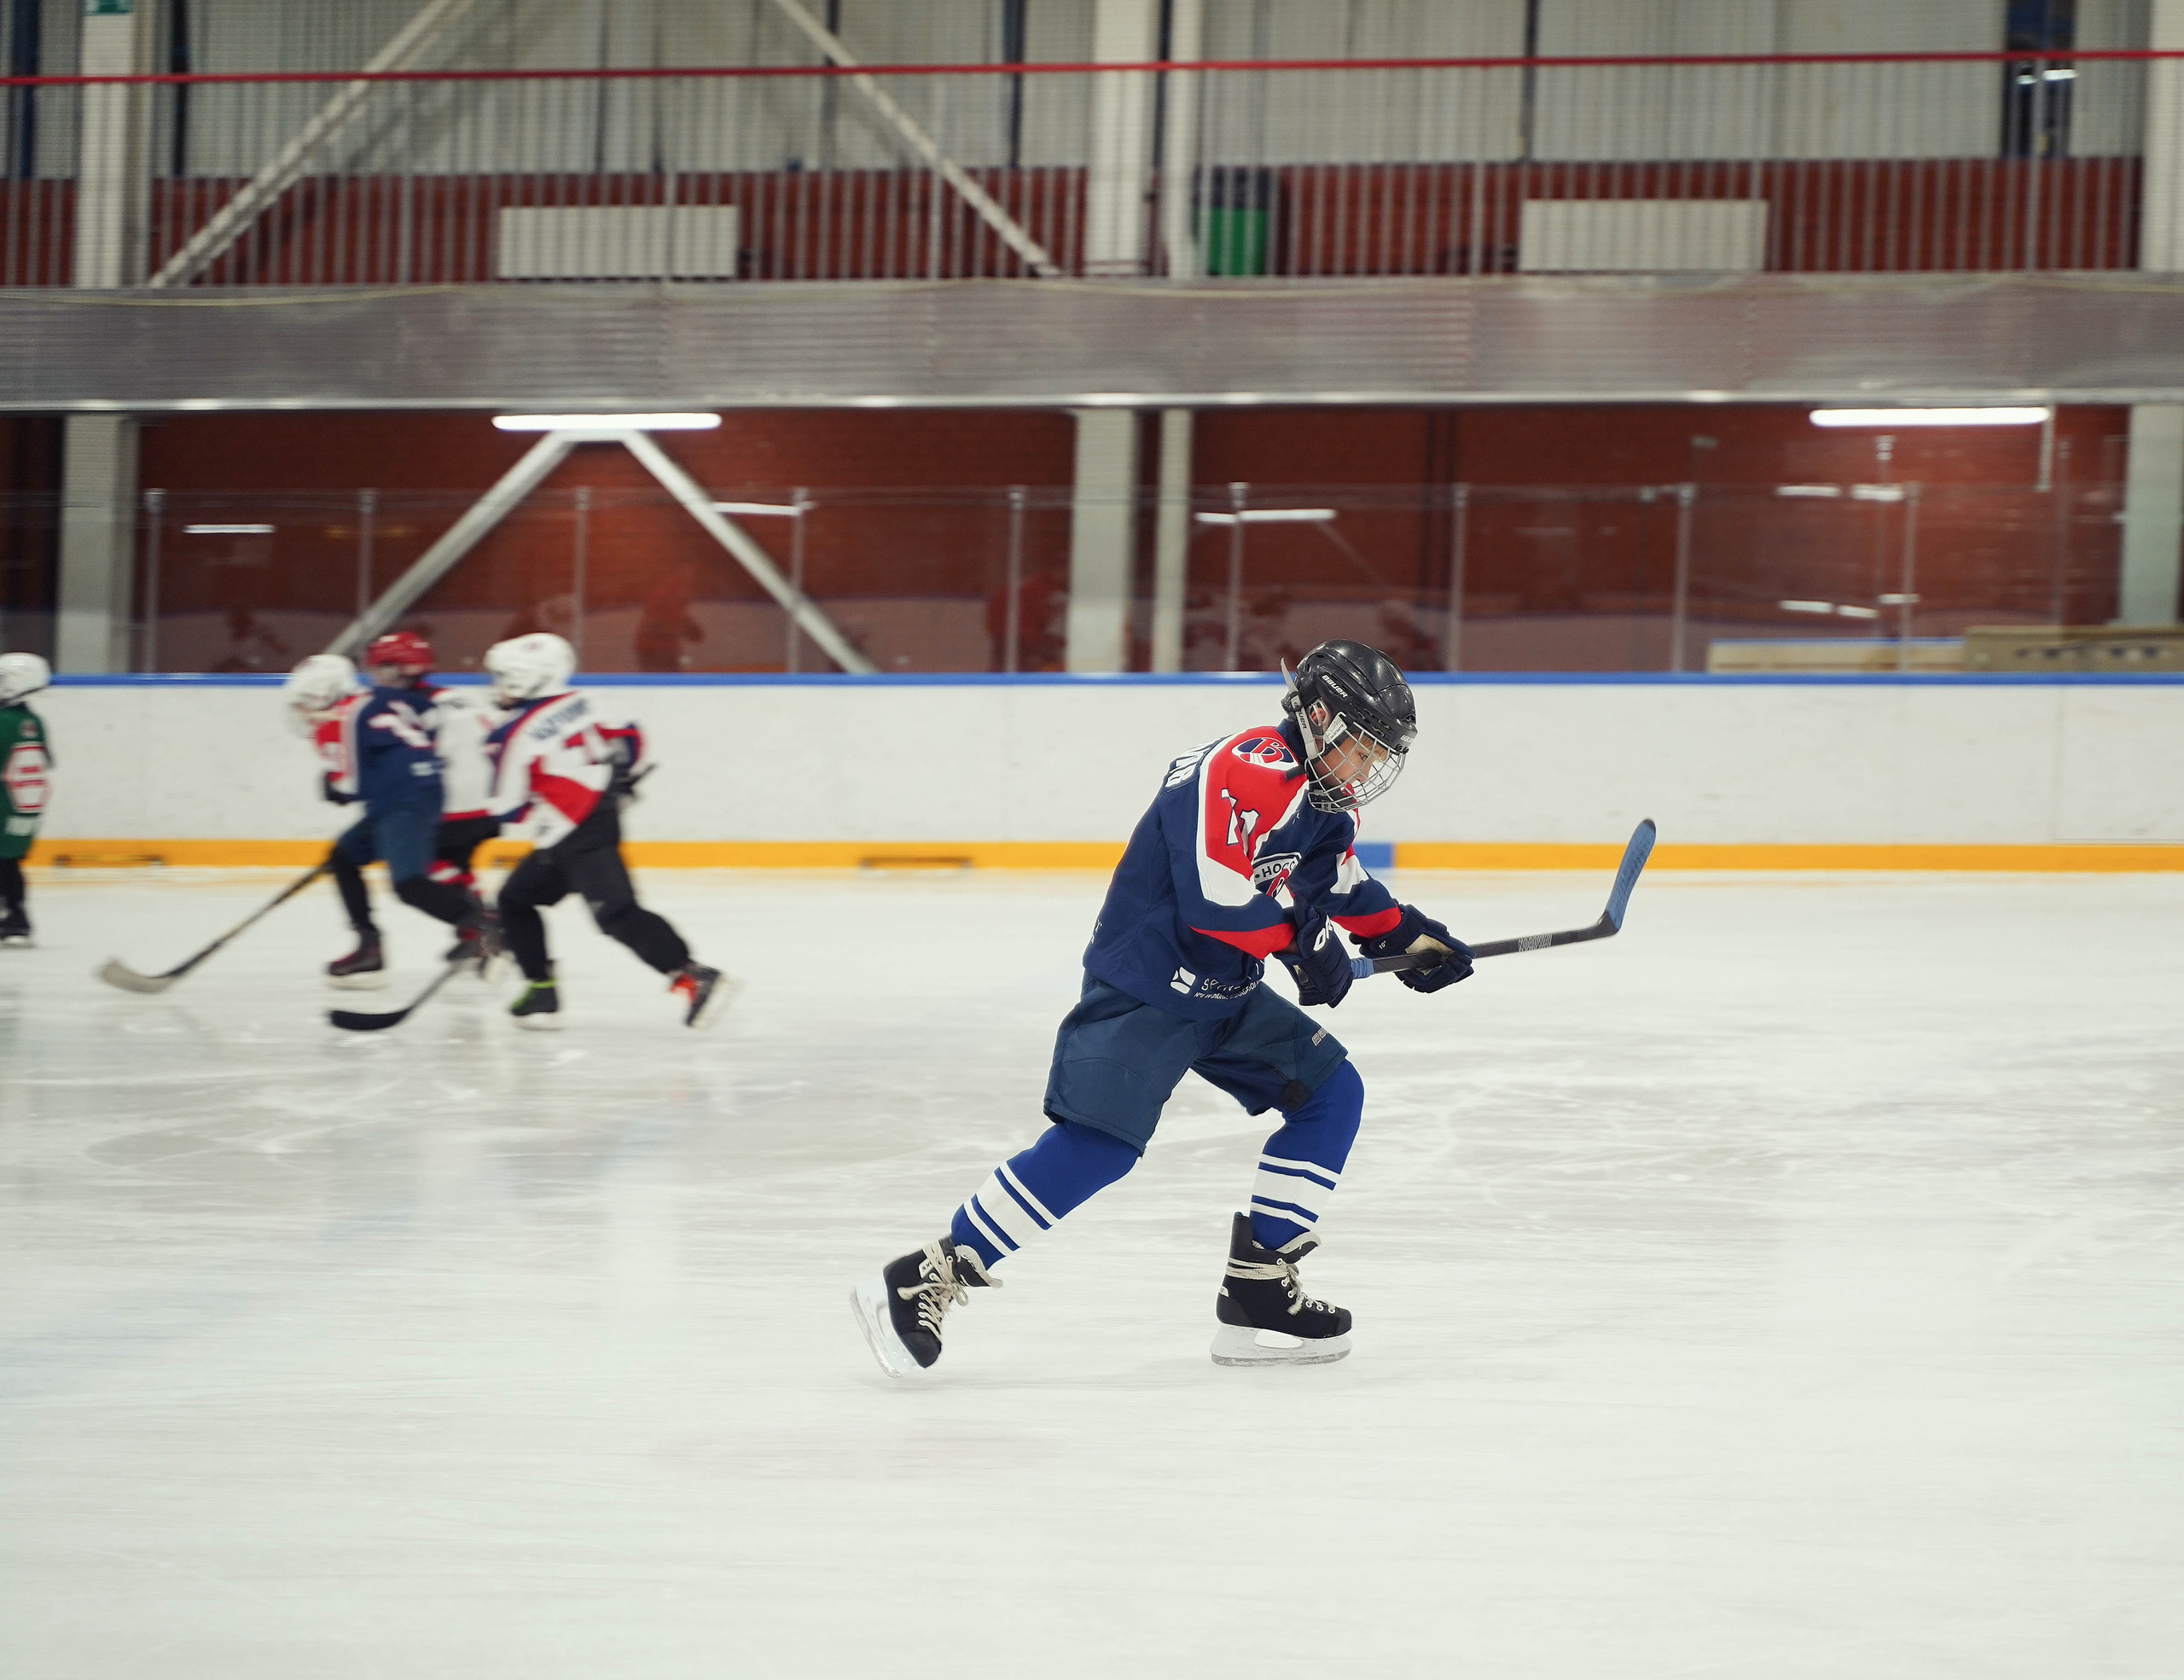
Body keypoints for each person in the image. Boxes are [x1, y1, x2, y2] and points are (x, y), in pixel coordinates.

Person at [852, 639, 1474, 1378]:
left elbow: (1339, 884)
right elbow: (1214, 898)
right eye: (1362, 748)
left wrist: (1409, 935)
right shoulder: (1245, 768)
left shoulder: (1321, 799)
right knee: (1100, 1145)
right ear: (1319, 719)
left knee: (1332, 1092)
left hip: (1224, 992)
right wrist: (1303, 943)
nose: (1368, 769)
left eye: (1377, 754)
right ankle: (928, 1273)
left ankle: (1259, 1285)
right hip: (1146, 988)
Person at [481, 631, 725, 1031]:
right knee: (515, 898)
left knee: (616, 913)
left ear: (527, 679)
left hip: (574, 834)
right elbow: (632, 740)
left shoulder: (511, 733)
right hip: (588, 824)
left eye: (503, 677)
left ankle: (693, 976)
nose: (497, 685)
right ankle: (541, 990)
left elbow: (508, 806)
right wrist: (617, 777)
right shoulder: (591, 701)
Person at [282, 637, 493, 987]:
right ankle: (470, 930)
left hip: (441, 799)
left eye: (381, 668)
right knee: (357, 856)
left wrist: (340, 782)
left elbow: (356, 781)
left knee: (417, 876)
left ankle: (485, 928)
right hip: (476, 798)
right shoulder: (432, 698)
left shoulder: (364, 711)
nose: (376, 676)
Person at [0, 652, 53, 947]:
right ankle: (16, 915)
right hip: (23, 808)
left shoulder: (3, 721)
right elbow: (46, 761)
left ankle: (14, 916)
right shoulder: (34, 721)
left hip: (4, 805)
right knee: (8, 863)